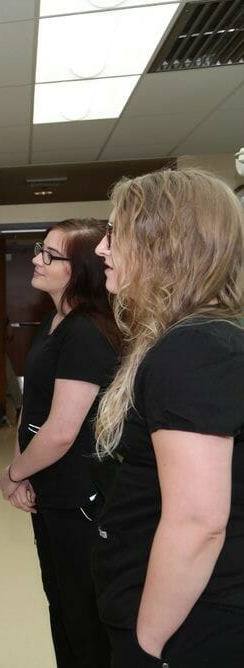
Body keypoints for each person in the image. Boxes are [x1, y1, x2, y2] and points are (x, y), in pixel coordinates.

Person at [91, 168, 244, 667]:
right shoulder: (206, 337)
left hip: (188, 623)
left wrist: (148, 645)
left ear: (164, 244)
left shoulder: (193, 350)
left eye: (115, 233)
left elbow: (198, 523)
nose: (101, 249)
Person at [0, 219, 121, 668]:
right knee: (61, 606)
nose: (37, 258)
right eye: (38, 249)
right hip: (49, 491)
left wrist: (13, 474)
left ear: (80, 270)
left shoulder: (87, 333)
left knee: (84, 617)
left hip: (78, 499)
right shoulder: (53, 321)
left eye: (50, 254)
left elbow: (61, 430)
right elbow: (33, 409)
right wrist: (23, 470)